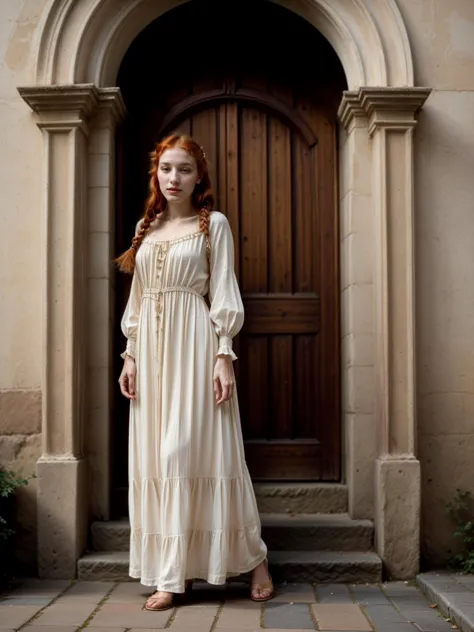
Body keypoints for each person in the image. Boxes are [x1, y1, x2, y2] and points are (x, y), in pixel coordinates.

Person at [115, 132, 274, 611]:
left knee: (197, 453)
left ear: (198, 175)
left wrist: (224, 354)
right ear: (155, 174)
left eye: (184, 169)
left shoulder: (214, 225)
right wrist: (131, 354)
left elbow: (223, 292)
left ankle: (254, 559)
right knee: (158, 462)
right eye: (166, 168)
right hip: (153, 359)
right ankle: (171, 572)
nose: (173, 178)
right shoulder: (147, 229)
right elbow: (138, 302)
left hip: (197, 350)